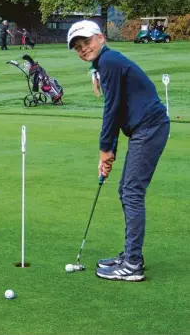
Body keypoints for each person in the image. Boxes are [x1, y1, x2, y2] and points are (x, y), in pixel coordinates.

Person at [67, 20, 170, 282]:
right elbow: (119, 109)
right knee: (127, 190)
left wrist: (104, 150)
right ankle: (130, 255)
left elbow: (111, 110)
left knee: (131, 191)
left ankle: (133, 264)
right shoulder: (105, 63)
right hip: (144, 128)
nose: (83, 49)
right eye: (78, 47)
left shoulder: (109, 62)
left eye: (86, 42)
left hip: (149, 127)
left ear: (100, 37)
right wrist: (110, 151)